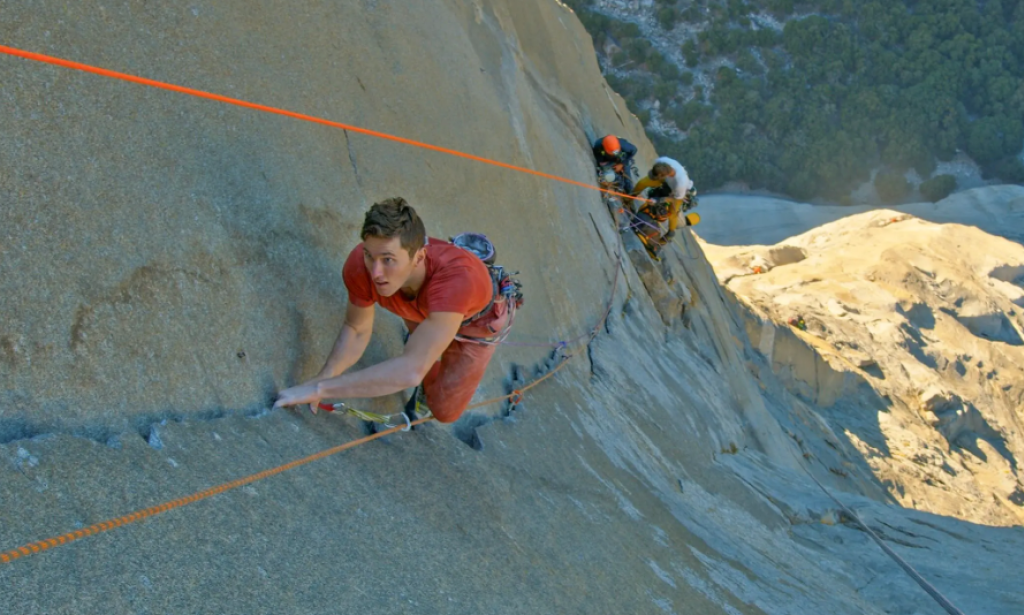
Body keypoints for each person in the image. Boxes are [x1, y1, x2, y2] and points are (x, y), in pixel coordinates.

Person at [274, 197, 511, 424]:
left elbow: (411, 372)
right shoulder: (361, 266)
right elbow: (356, 329)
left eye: (388, 259)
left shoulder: (455, 282)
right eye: (370, 255)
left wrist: (319, 389)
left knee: (444, 411)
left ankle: (424, 348)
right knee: (419, 351)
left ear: (419, 257)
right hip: (423, 308)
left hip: (475, 324)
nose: (375, 273)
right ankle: (423, 345)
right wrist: (323, 378)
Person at [627, 158, 698, 255]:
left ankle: (670, 233)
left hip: (678, 193)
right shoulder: (661, 161)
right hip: (666, 181)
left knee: (672, 214)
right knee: (642, 183)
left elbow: (674, 199)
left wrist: (660, 200)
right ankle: (629, 198)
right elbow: (654, 175)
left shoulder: (680, 183)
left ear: (664, 175)